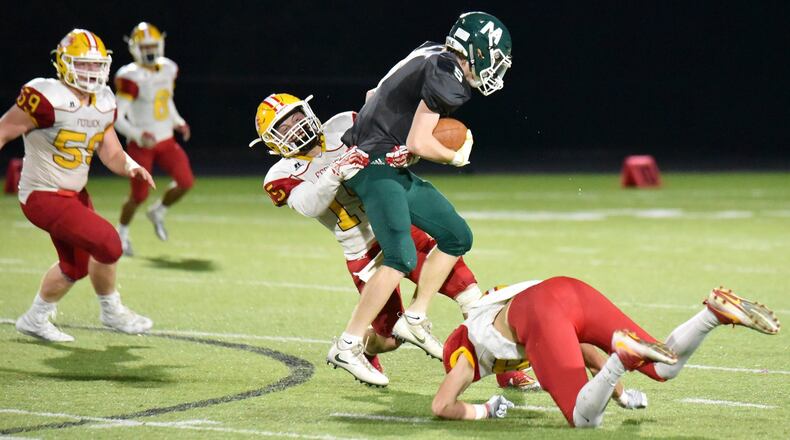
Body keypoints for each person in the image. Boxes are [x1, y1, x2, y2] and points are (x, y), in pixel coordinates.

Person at [250, 92, 533, 389]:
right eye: (284, 126)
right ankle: (367, 349)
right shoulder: (279, 175)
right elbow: (311, 204)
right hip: (364, 252)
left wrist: (404, 151)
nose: (295, 126)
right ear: (271, 140)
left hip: (398, 225)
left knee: (470, 295)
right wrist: (336, 171)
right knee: (388, 340)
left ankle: (505, 368)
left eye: (296, 116)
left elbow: (384, 149)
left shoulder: (345, 124)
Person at [326, 11, 514, 386]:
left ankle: (415, 315)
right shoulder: (449, 79)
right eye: (494, 59)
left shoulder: (432, 53)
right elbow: (419, 141)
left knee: (457, 235)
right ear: (477, 51)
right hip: (373, 168)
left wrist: (390, 137)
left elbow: (373, 97)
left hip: (386, 164)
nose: (496, 69)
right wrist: (454, 156)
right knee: (399, 258)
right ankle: (347, 344)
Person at [433, 277, 780, 427]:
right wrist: (622, 395)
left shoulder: (467, 353)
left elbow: (442, 406)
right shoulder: (490, 317)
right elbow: (586, 351)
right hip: (568, 289)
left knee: (584, 420)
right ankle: (712, 315)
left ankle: (624, 356)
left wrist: (484, 411)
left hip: (542, 312)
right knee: (663, 368)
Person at [0, 29, 156, 342]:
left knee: (74, 267)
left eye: (96, 65)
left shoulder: (104, 100)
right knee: (110, 243)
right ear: (63, 64)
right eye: (82, 65)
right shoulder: (45, 96)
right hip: (43, 195)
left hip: (74, 195)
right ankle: (111, 310)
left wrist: (131, 165)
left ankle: (35, 318)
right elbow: (3, 130)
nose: (91, 72)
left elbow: (110, 151)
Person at [114, 22, 193, 256]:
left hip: (166, 139)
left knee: (186, 181)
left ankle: (158, 211)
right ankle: (122, 234)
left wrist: (178, 121)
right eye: (145, 46)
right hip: (142, 145)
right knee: (139, 196)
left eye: (152, 46)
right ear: (135, 48)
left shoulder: (168, 68)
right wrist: (138, 134)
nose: (149, 51)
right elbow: (117, 115)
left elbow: (165, 100)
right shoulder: (131, 76)